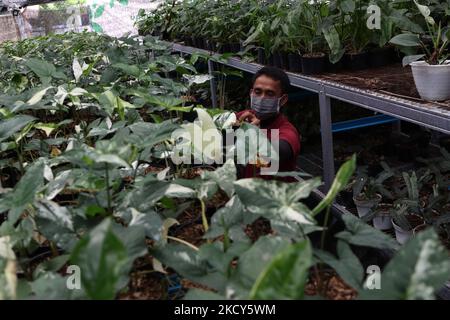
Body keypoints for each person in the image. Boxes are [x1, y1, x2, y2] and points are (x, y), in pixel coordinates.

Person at [236, 66, 301, 181]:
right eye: (258, 92)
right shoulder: (243, 117)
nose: (262, 98)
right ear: (251, 93)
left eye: (270, 94)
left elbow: (279, 151)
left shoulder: (286, 131)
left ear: (283, 100)